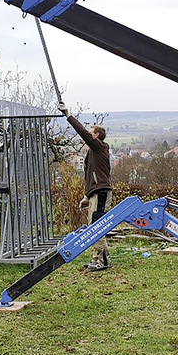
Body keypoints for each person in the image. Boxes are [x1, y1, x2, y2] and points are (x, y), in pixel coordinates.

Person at [58, 102, 112, 271]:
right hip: (95, 193)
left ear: (96, 136)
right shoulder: (93, 153)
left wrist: (68, 116)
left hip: (102, 192)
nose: (88, 136)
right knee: (93, 227)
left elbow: (82, 133)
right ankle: (98, 259)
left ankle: (103, 261)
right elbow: (90, 177)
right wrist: (86, 196)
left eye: (91, 133)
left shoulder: (99, 147)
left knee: (97, 226)